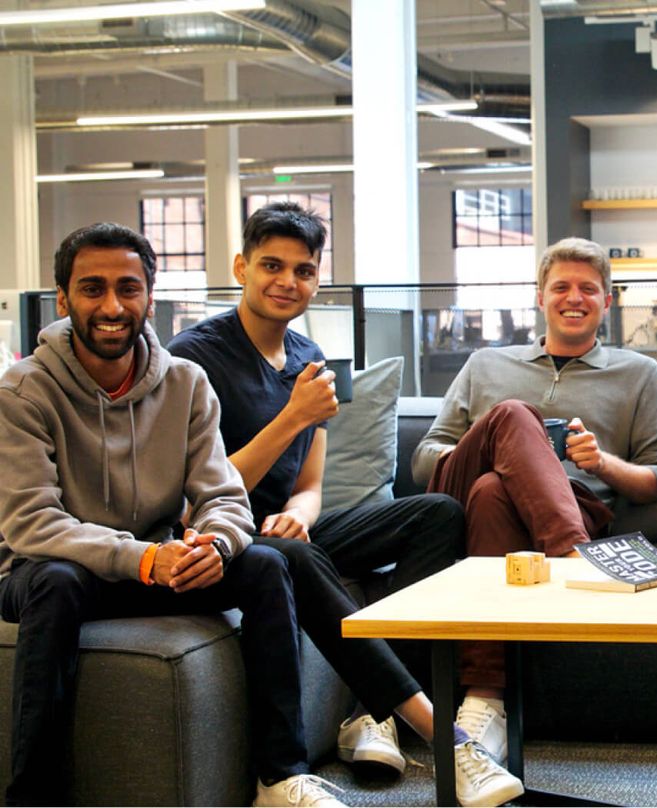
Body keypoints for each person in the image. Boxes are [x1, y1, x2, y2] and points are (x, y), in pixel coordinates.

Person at [0, 223, 521, 808]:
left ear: (150, 295)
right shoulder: (24, 391)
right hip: (64, 568)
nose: (113, 306)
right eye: (92, 289)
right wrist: (149, 557)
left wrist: (220, 542)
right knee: (57, 581)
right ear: (62, 298)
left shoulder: (185, 381)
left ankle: (280, 776)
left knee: (270, 564)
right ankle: (32, 798)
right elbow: (33, 524)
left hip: (173, 555)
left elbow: (223, 494)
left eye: (129, 288)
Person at [167, 203, 466, 776]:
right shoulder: (192, 358)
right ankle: (425, 723)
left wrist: (301, 514)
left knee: (438, 514)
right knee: (290, 554)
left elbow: (309, 484)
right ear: (241, 267)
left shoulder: (310, 357)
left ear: (317, 279)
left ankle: (369, 715)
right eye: (271, 266)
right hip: (223, 536)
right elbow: (191, 500)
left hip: (290, 531)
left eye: (303, 270)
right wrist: (293, 416)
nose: (288, 282)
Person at [412, 236, 657, 765]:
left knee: (493, 491)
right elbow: (424, 458)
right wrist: (494, 441)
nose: (574, 298)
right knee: (511, 417)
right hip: (463, 498)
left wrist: (601, 463)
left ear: (607, 301)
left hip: (576, 502)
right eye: (561, 287)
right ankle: (574, 558)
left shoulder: (639, 372)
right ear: (540, 297)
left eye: (588, 289)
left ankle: (485, 700)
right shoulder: (486, 362)